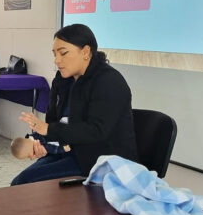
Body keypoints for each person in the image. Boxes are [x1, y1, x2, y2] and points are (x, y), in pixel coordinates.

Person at [11, 24, 138, 186]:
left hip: (100, 160)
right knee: (20, 184)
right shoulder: (64, 79)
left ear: (85, 52)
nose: (57, 60)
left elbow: (96, 131)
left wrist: (49, 130)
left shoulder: (109, 82)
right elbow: (55, 123)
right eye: (55, 54)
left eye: (63, 53)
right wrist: (39, 142)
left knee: (24, 184)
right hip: (70, 151)